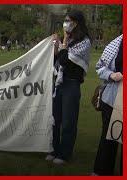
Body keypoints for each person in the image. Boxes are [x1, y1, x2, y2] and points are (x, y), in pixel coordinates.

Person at [46, 10, 92, 164]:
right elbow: (55, 61)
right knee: (54, 118)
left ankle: (64, 154)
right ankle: (53, 149)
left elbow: (66, 60)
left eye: (68, 20)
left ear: (76, 23)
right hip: (58, 83)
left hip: (71, 84)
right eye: (64, 20)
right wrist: (55, 47)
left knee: (68, 121)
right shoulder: (67, 41)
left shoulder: (84, 42)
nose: (65, 23)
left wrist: (63, 41)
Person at [92, 34, 123, 176]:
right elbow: (100, 67)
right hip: (112, 98)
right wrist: (111, 75)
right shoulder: (117, 43)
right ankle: (102, 171)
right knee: (108, 137)